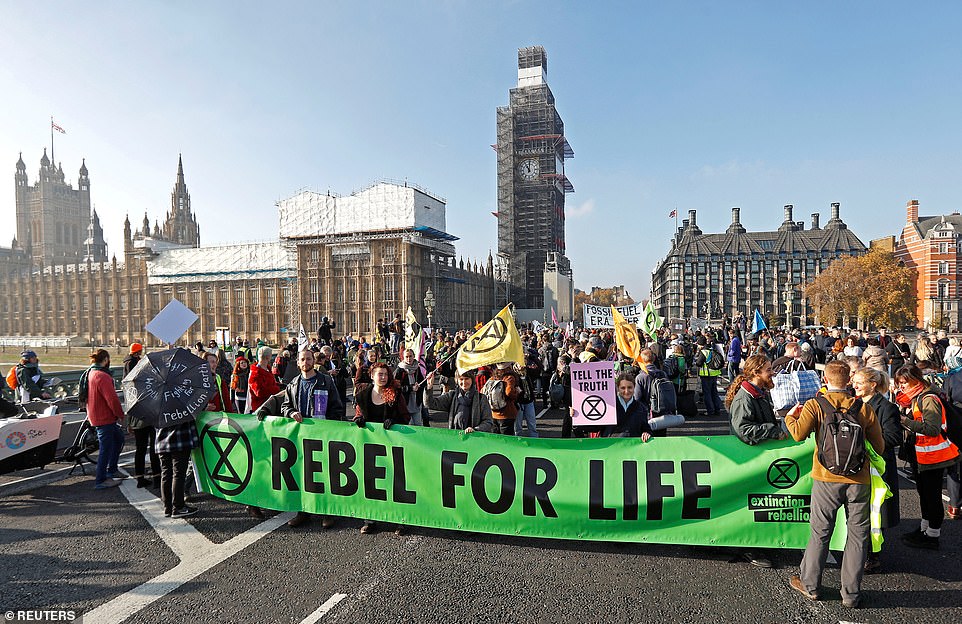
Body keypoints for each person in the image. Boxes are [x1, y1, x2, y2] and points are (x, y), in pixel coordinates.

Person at [784, 360, 884, 608]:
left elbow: (797, 433)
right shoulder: (863, 408)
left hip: (826, 477)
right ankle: (850, 594)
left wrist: (789, 417)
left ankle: (811, 585)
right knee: (858, 535)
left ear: (824, 381)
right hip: (858, 479)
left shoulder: (816, 405)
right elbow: (879, 447)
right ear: (849, 381)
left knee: (820, 531)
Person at [725, 353, 786, 568]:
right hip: (748, 457)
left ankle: (757, 542)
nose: (773, 373)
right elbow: (743, 430)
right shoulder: (746, 397)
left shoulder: (757, 392)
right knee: (748, 503)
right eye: (769, 369)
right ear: (756, 373)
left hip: (756, 455)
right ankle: (747, 548)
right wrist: (772, 430)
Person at [895, 364, 961, 549]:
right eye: (899, 384)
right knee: (924, 494)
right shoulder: (916, 397)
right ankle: (924, 528)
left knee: (931, 496)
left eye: (904, 384)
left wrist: (905, 421)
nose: (902, 388)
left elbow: (932, 429)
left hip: (934, 455)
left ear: (916, 380)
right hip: (923, 454)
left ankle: (932, 536)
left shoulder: (928, 398)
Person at [280, 348, 346, 528]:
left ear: (313, 361)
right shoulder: (292, 384)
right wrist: (291, 412)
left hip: (323, 436)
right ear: (298, 362)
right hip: (301, 438)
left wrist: (331, 429)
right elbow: (285, 406)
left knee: (325, 474)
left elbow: (337, 407)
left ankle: (327, 512)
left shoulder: (325, 381)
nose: (306, 362)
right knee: (304, 475)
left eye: (308, 359)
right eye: (302, 359)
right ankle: (304, 511)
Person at [851, 367, 901, 573]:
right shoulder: (855, 404)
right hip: (859, 465)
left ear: (872, 385)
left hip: (878, 467)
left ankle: (873, 555)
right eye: (854, 382)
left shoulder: (887, 408)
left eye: (859, 383)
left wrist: (865, 444)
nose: (854, 386)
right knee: (861, 509)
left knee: (875, 511)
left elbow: (894, 437)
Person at [353, 362, 409, 534]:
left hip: (392, 445)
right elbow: (358, 413)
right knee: (371, 482)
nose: (383, 377)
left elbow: (406, 417)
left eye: (385, 374)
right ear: (372, 376)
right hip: (370, 445)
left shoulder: (395, 393)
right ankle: (370, 519)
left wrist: (395, 422)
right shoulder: (363, 394)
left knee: (395, 482)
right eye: (379, 374)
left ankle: (400, 520)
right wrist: (358, 419)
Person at [85, 349, 126, 490]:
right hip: (104, 417)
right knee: (105, 449)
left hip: (97, 415)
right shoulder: (103, 376)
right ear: (106, 360)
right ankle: (101, 479)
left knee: (119, 439)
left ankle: (112, 469)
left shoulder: (91, 372)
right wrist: (120, 414)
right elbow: (112, 399)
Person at [155, 415, 199, 519]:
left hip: (162, 441)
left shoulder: (155, 402)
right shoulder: (179, 400)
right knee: (178, 474)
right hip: (180, 440)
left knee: (166, 474)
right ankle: (178, 507)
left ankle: (168, 507)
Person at [423, 369, 493, 433]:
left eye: (467, 379)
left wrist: (475, 429)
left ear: (472, 379)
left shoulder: (481, 398)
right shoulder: (452, 395)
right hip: (455, 439)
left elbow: (488, 422)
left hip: (474, 440)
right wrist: (429, 387)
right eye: (461, 379)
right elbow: (430, 404)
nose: (464, 382)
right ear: (457, 380)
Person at [609, 372, 653, 440]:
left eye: (629, 387)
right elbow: (597, 427)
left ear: (634, 387)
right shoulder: (610, 407)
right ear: (618, 388)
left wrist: (646, 432)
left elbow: (646, 428)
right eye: (623, 388)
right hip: (613, 447)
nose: (626, 391)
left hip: (633, 448)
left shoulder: (641, 408)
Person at [483, 362, 520, 435]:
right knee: (507, 439)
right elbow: (509, 392)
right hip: (507, 413)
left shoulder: (493, 377)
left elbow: (483, 390)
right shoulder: (509, 378)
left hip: (493, 413)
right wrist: (516, 392)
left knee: (496, 438)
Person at [693, 336, 723, 417]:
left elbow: (699, 363)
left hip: (706, 375)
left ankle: (710, 411)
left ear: (701, 345)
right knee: (714, 393)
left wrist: (696, 361)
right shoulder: (712, 349)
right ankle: (717, 409)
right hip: (714, 374)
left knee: (707, 394)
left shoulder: (704, 352)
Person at [395, 348, 426, 426]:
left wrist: (427, 380)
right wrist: (410, 388)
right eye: (406, 357)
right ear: (403, 358)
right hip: (405, 403)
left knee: (418, 425)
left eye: (410, 356)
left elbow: (423, 383)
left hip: (416, 402)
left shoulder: (417, 368)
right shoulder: (399, 370)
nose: (409, 359)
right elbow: (396, 387)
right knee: (410, 425)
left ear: (414, 356)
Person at [248, 346, 280, 413]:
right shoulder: (255, 373)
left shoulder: (267, 369)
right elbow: (259, 392)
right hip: (261, 407)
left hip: (270, 404)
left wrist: (280, 386)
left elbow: (270, 383)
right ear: (267, 357)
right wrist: (277, 389)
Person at [514, 362, 538, 437]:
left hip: (529, 401)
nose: (522, 365)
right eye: (519, 363)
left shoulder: (527, 373)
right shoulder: (514, 375)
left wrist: (533, 357)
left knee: (532, 422)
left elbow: (539, 369)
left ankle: (534, 439)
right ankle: (519, 440)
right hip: (519, 402)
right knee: (518, 424)